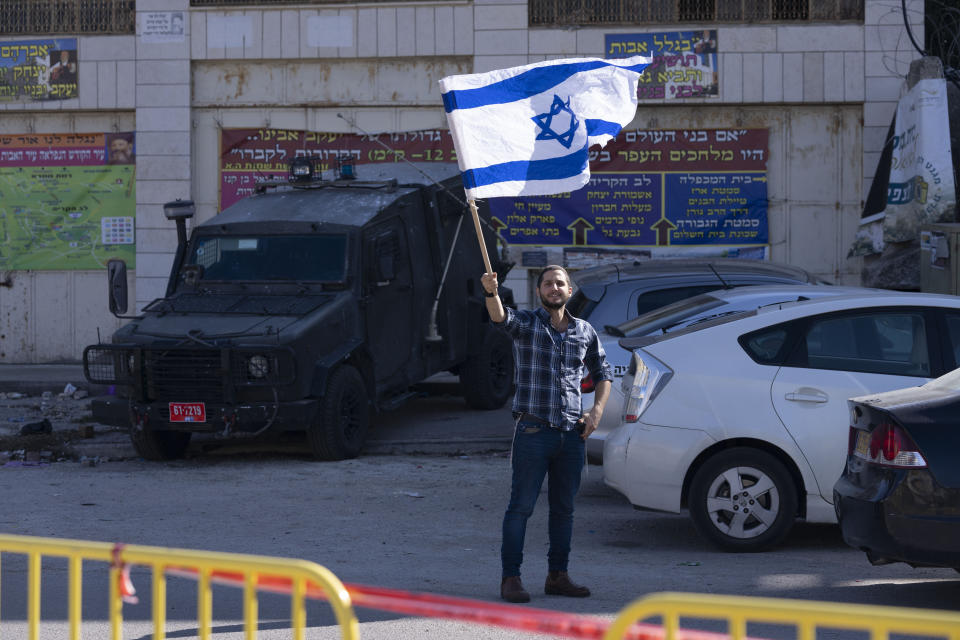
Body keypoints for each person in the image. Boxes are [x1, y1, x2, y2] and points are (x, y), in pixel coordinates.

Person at [480, 265, 612, 604]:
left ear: (570, 291)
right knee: (521, 507)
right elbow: (500, 319)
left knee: (564, 510)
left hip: (571, 434)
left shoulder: (584, 331)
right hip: (533, 430)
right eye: (548, 284)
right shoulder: (526, 324)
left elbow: (602, 373)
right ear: (539, 291)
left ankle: (558, 576)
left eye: (560, 283)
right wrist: (491, 292)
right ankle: (511, 578)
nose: (554, 288)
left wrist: (596, 411)